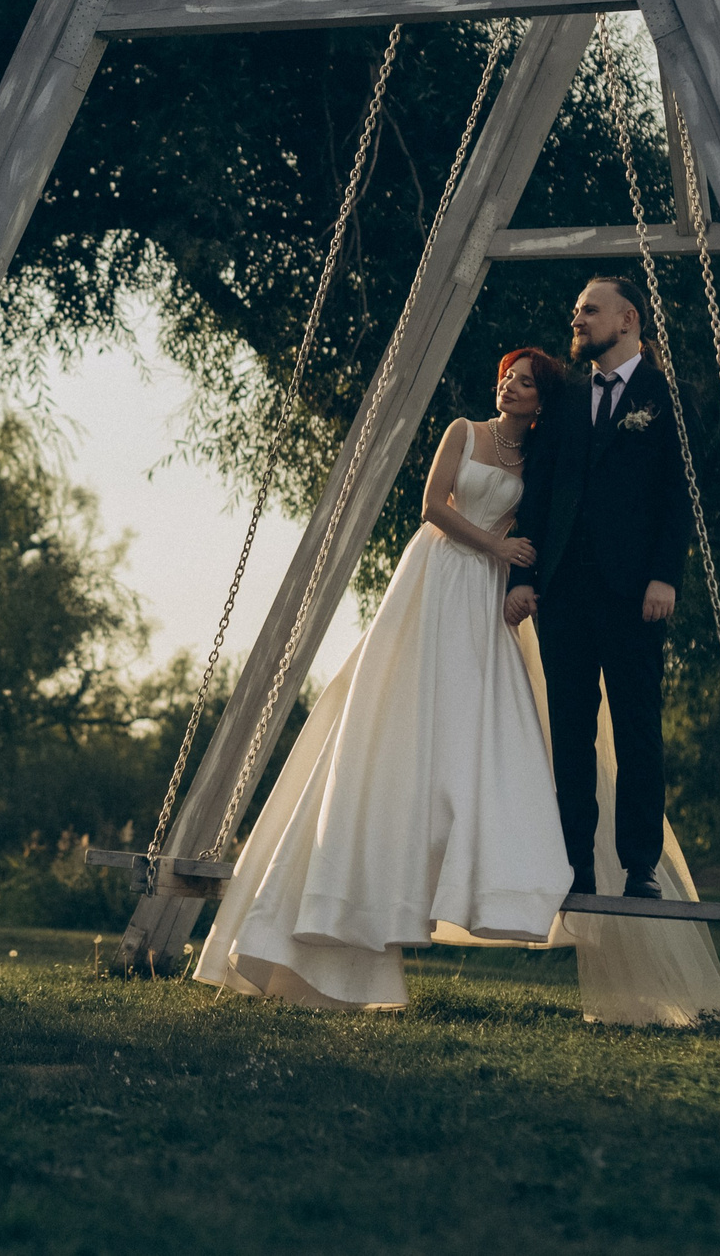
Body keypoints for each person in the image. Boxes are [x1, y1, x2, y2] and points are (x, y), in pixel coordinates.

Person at [193, 349, 572, 1011]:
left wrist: (519, 573)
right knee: (402, 703)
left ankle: (482, 863)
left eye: (526, 381)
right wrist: (495, 546)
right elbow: (433, 506)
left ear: (543, 400)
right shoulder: (465, 431)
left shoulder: (538, 460)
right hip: (441, 570)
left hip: (485, 591)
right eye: (508, 375)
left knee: (480, 720)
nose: (511, 385)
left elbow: (537, 527)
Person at [502, 277, 689, 900]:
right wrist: (523, 578)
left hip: (637, 593)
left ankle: (640, 866)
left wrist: (665, 574)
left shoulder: (668, 396)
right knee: (571, 731)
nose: (576, 319)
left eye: (588, 310)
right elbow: (539, 494)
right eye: (576, 309)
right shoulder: (567, 398)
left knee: (638, 727)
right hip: (565, 596)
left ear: (627, 318)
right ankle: (574, 866)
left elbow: (677, 494)